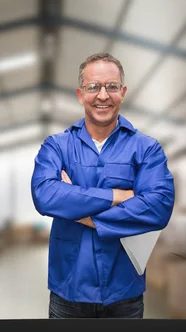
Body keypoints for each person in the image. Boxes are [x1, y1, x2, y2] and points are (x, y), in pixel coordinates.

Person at [30, 52, 175, 318]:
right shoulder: (57, 146)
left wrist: (80, 212)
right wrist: (118, 196)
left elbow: (159, 207)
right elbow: (45, 195)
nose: (103, 95)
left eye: (112, 86)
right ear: (80, 93)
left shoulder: (146, 149)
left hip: (124, 293)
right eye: (93, 87)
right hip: (68, 292)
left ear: (123, 92)